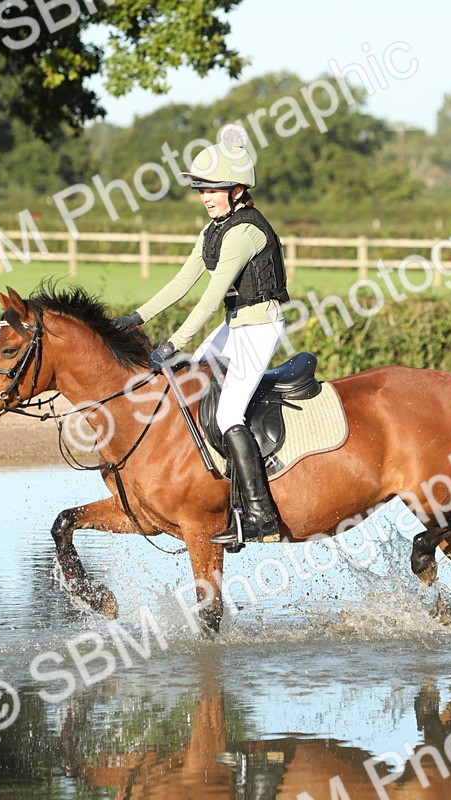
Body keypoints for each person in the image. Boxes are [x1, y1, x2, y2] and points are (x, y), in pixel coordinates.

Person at [112, 125, 288, 546]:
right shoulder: (214, 229)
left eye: (214, 189)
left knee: (227, 414)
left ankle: (261, 515)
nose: (206, 197)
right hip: (235, 325)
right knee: (190, 389)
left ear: (238, 189)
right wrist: (137, 317)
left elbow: (209, 297)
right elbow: (181, 282)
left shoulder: (245, 230)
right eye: (202, 190)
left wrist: (176, 342)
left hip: (260, 327)